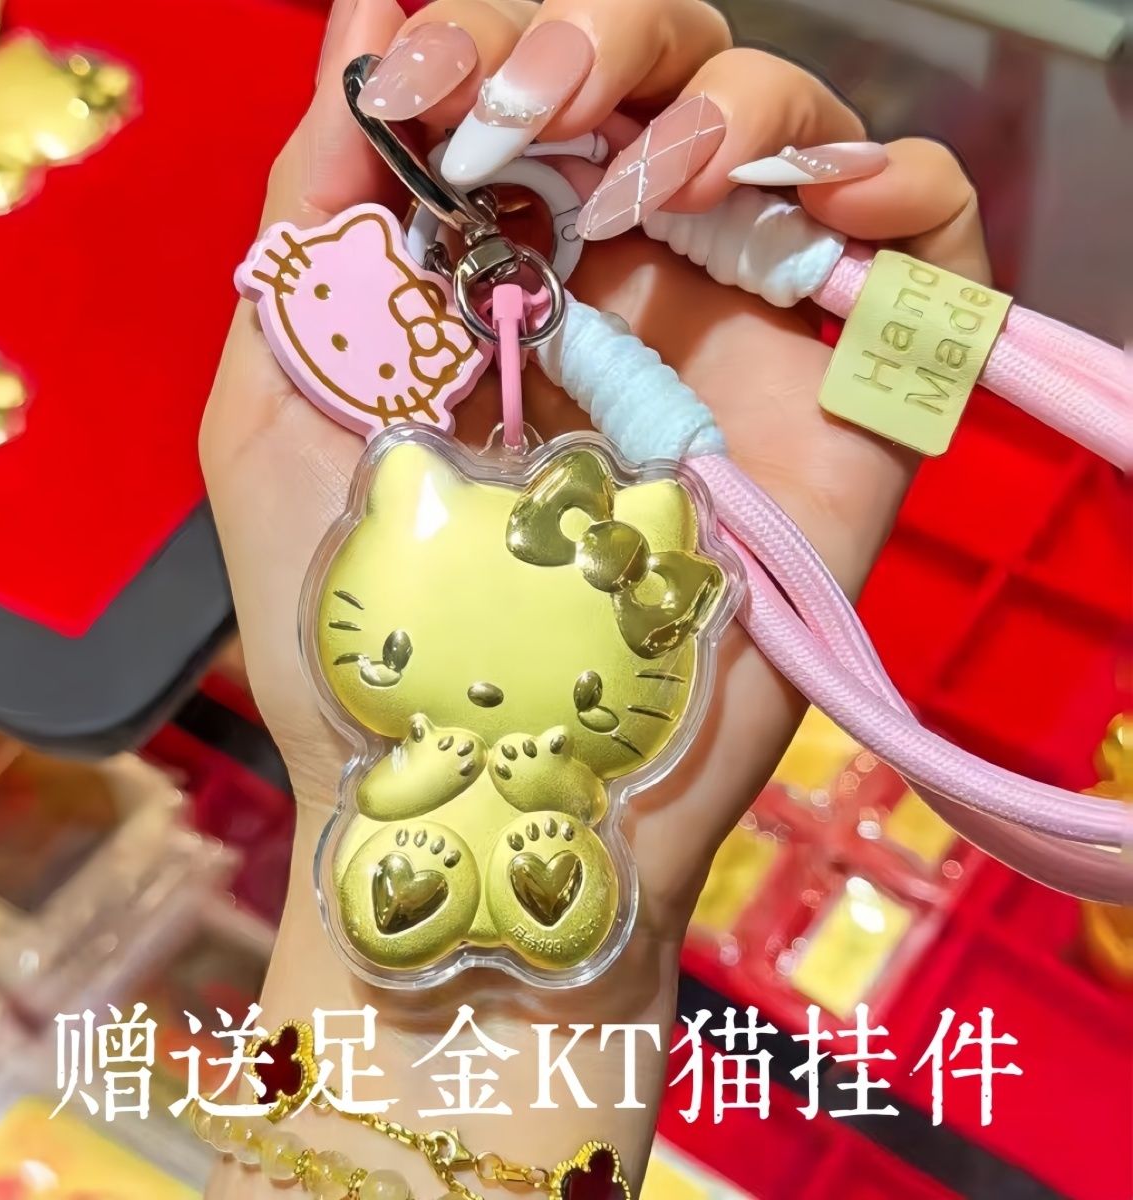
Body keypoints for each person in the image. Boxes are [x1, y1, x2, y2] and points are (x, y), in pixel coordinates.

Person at [201, 0, 989, 1194]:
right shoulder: (405, 486)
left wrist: (913, 344)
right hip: (426, 839)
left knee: (527, 865)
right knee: (414, 864)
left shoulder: (666, 548)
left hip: (546, 834)